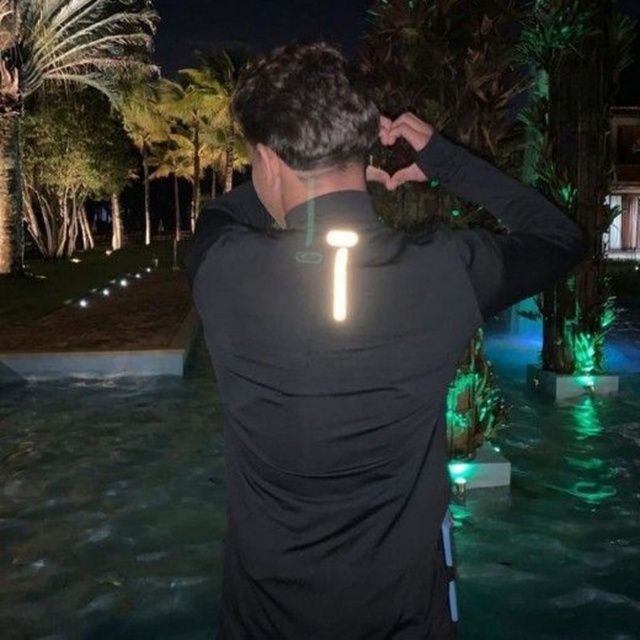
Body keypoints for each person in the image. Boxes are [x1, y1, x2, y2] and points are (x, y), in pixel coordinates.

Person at [185, 41, 586, 640]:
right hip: (406, 619)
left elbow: (216, 218)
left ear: (267, 159)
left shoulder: (221, 270)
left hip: (264, 622)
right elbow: (560, 238)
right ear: (364, 147)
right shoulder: (445, 271)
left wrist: (326, 169)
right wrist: (445, 160)